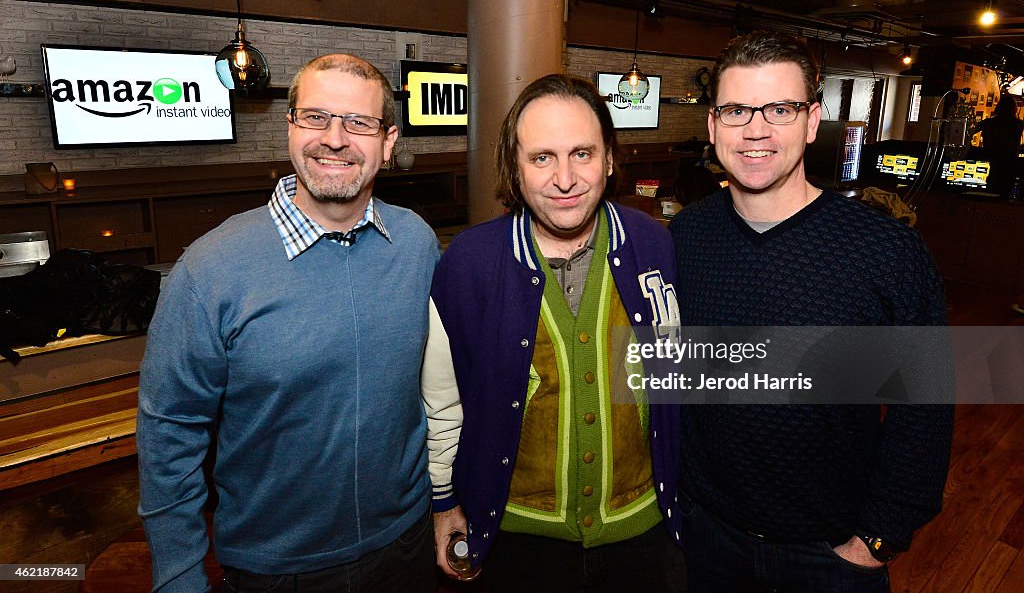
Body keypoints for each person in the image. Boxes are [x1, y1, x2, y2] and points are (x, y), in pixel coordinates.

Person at [137, 53, 441, 592]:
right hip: (275, 569)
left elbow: (440, 389)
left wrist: (446, 502)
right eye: (316, 117)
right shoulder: (210, 269)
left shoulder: (416, 243)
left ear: (388, 143)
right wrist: (179, 576)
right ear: (291, 128)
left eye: (359, 123)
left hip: (406, 545)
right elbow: (170, 433)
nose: (335, 138)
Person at [668, 31, 954, 592]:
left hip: (831, 554)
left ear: (811, 119)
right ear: (712, 124)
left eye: (779, 108)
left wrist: (878, 539)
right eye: (735, 110)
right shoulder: (685, 237)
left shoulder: (885, 251)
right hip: (704, 538)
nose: (755, 129)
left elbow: (925, 404)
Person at [426, 74, 685, 592]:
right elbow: (443, 400)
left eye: (582, 154)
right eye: (542, 157)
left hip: (643, 530)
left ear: (610, 158)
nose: (565, 178)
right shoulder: (469, 264)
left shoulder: (654, 245)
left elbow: (670, 377)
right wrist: (444, 501)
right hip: (517, 537)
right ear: (515, 169)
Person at [975, 94, 1023, 196]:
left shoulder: (988, 123)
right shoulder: (1018, 124)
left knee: (991, 191)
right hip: (1010, 164)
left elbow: (969, 132)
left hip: (992, 161)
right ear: (1014, 109)